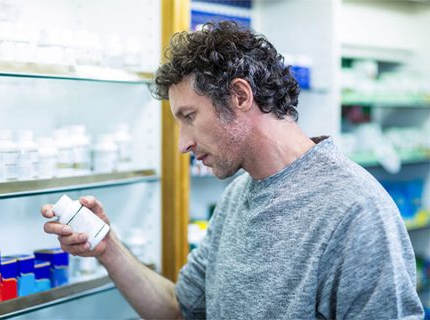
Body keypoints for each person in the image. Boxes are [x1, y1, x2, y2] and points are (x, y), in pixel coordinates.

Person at [41, 21, 424, 319]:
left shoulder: (354, 210)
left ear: (240, 96)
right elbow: (180, 309)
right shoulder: (237, 197)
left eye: (189, 117)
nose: (183, 144)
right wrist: (109, 249)